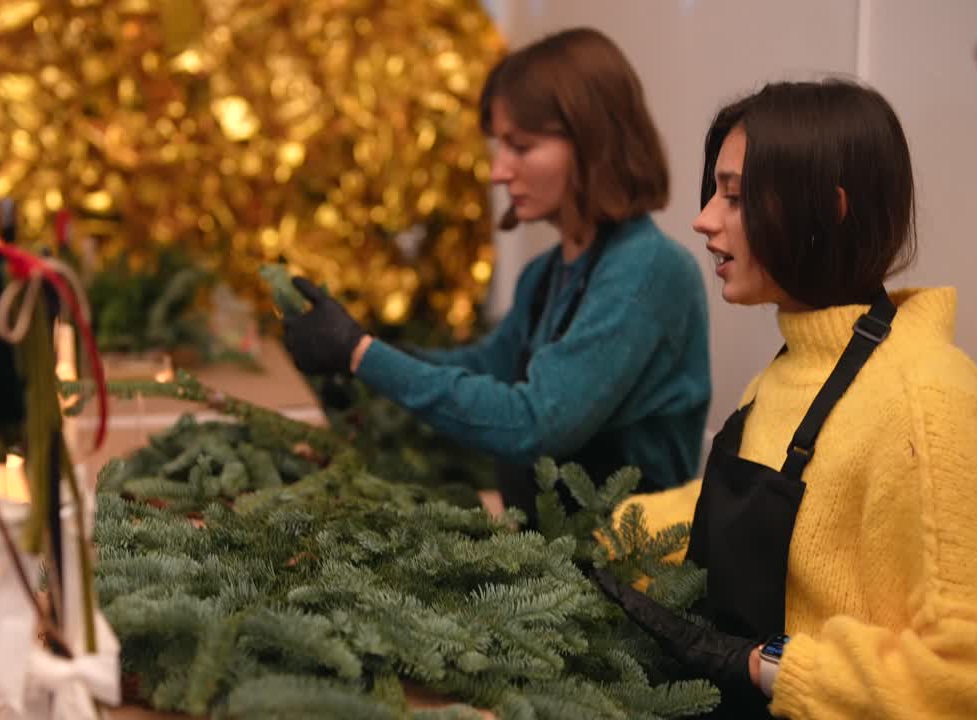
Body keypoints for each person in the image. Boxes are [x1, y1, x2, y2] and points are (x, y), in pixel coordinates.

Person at [595, 79, 977, 719]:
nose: (703, 220)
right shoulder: (793, 366)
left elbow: (968, 675)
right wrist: (596, 537)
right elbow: (725, 515)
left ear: (828, 209)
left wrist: (767, 665)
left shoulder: (927, 399)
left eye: (735, 197)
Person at [281, 28, 711, 526]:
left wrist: (361, 353)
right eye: (499, 146)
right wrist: (362, 356)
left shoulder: (648, 270)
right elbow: (490, 366)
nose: (498, 172)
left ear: (592, 144)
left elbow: (533, 423)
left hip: (625, 564)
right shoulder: (545, 274)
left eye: (520, 146)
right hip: (537, 554)